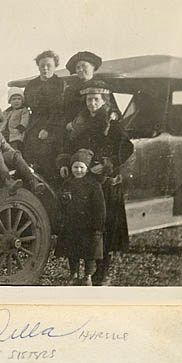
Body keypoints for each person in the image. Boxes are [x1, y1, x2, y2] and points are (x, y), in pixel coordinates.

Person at [66, 80, 134, 286]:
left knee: (106, 229)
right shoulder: (81, 122)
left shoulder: (112, 122)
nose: (92, 103)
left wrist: (107, 165)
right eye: (89, 99)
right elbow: (71, 145)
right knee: (89, 228)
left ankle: (102, 274)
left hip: (107, 183)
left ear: (104, 100)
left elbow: (126, 148)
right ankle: (87, 273)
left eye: (96, 99)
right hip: (86, 182)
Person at [57, 148, 105, 286]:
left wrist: (98, 228)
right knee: (73, 252)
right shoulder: (68, 183)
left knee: (90, 253)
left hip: (88, 226)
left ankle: (88, 275)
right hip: (72, 224)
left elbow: (100, 208)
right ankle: (74, 274)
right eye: (75, 167)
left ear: (87, 168)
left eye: (81, 167)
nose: (78, 170)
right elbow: (61, 203)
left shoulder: (94, 186)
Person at [22, 50, 66, 180]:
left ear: (55, 66)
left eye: (49, 65)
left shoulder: (59, 83)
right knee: (28, 151)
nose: (45, 68)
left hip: (54, 122)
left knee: (47, 153)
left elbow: (59, 109)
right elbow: (26, 104)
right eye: (42, 66)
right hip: (35, 121)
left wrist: (48, 128)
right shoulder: (32, 84)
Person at [63, 51, 121, 128]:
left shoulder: (102, 86)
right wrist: (69, 124)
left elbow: (113, 108)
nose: (80, 70)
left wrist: (114, 114)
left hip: (100, 126)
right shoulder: (70, 90)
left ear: (93, 67)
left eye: (84, 66)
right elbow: (65, 112)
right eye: (78, 68)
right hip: (77, 129)